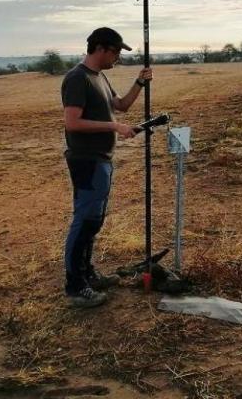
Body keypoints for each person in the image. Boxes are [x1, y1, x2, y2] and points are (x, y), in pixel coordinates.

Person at [60, 27, 152, 308]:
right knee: (85, 221)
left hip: (102, 160)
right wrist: (114, 126)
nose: (117, 59)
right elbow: (72, 122)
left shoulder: (100, 77)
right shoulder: (77, 79)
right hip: (87, 160)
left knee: (94, 222)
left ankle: (87, 274)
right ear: (101, 48)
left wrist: (139, 82)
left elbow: (121, 105)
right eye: (116, 53)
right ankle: (75, 286)